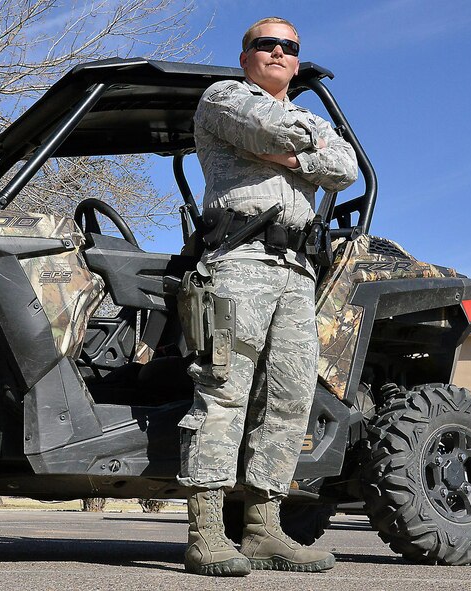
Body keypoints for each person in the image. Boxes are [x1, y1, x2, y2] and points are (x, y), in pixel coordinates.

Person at [178, 17, 358, 576]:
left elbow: (346, 167)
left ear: (298, 62)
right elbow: (266, 132)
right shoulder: (223, 97)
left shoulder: (307, 114)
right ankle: (206, 531)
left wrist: (295, 156)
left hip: (298, 272)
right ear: (245, 55)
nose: (278, 52)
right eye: (267, 44)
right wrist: (308, 153)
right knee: (224, 391)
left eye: (289, 47)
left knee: (288, 400)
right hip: (237, 262)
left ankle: (262, 528)